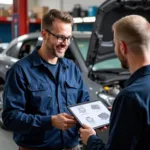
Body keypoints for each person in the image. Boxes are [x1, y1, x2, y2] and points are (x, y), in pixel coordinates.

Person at [2, 9, 90, 150]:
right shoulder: (21, 71)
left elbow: (83, 104)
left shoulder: (72, 68)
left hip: (71, 147)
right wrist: (50, 121)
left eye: (69, 38)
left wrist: (95, 119)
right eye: (60, 37)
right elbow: (10, 118)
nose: (65, 43)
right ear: (44, 34)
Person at [79, 15, 150, 150]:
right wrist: (121, 114)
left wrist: (91, 139)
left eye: (115, 44)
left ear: (122, 47)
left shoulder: (130, 96)